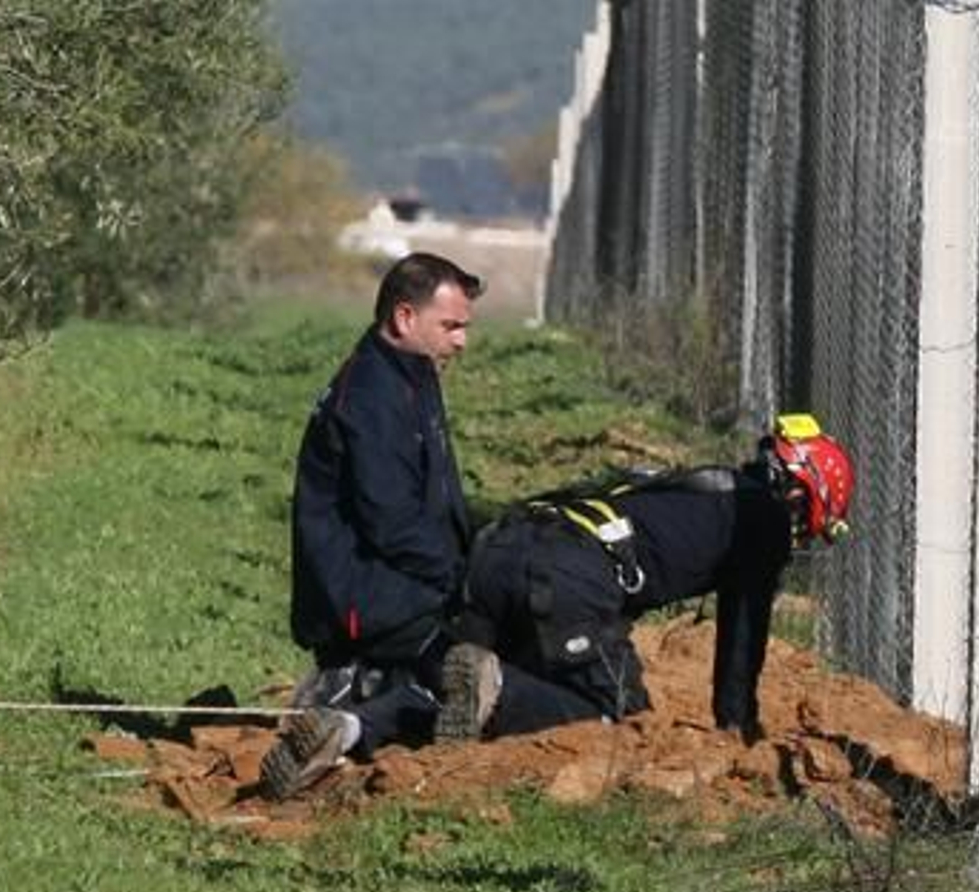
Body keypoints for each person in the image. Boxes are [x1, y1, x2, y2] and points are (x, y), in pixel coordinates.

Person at [432, 414, 855, 747]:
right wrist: (737, 727)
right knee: (624, 725)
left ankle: (379, 702)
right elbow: (742, 636)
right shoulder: (764, 522)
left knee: (449, 683)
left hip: (505, 547)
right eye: (805, 525)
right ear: (800, 497)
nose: (796, 534)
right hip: (567, 575)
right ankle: (504, 691)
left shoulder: (704, 486)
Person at [261, 252, 482, 801]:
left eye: (464, 328)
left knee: (485, 654)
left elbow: (431, 503)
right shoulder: (371, 399)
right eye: (450, 326)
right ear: (405, 318)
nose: (461, 342)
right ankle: (350, 695)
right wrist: (465, 578)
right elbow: (393, 525)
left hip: (397, 582)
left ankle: (363, 702)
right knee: (476, 677)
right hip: (362, 599)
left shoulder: (409, 373)